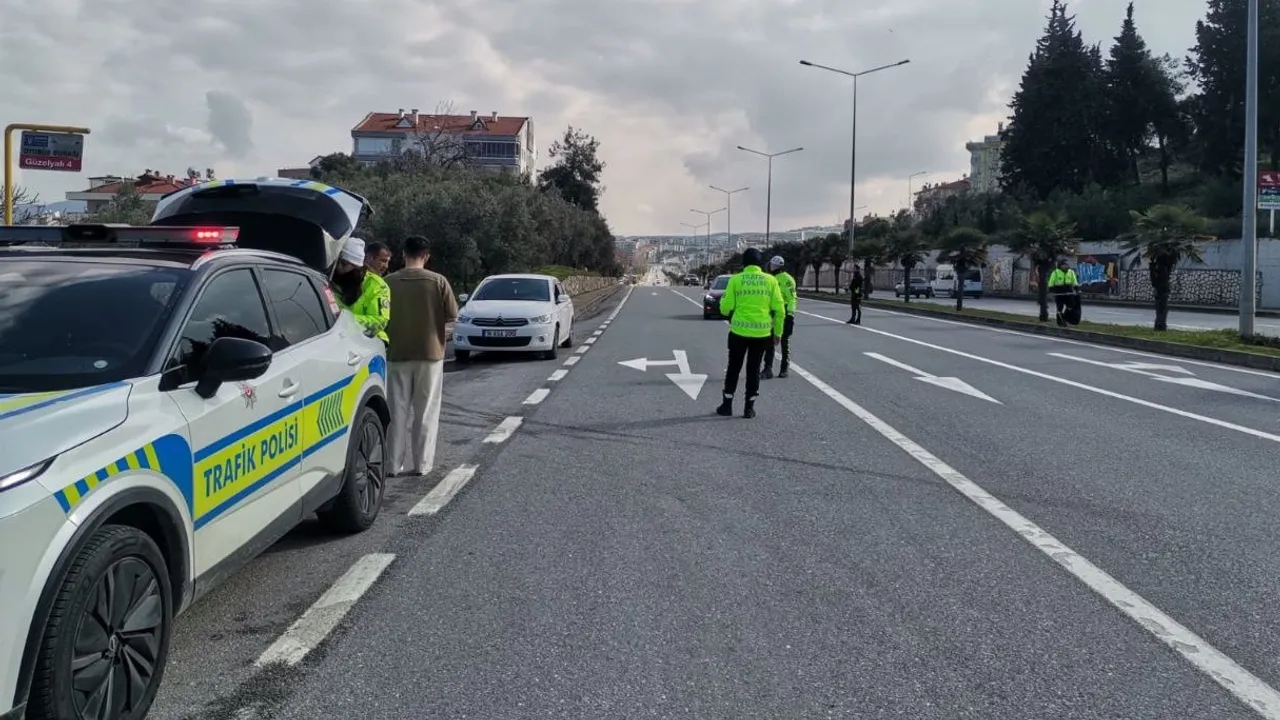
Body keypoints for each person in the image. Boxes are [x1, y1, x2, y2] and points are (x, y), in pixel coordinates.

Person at [384, 236, 458, 476]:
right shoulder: (438, 281)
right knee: (426, 411)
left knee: (396, 412)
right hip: (430, 353)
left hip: (396, 352)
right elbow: (452, 314)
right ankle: (422, 464)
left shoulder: (388, 282)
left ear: (403, 254)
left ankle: (392, 464)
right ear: (426, 256)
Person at [716, 248, 784, 419]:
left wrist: (725, 303)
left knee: (733, 368)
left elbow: (725, 309)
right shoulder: (771, 280)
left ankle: (727, 405)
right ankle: (749, 408)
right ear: (761, 263)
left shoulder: (736, 280)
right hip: (762, 334)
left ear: (744, 263)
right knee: (753, 370)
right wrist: (778, 333)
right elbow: (779, 310)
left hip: (738, 332)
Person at [332, 237, 391, 344]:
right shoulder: (328, 278)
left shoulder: (377, 285)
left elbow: (380, 321)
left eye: (345, 264)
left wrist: (344, 319)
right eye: (339, 262)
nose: (341, 268)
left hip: (367, 342)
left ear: (358, 267)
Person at [761, 255, 797, 379]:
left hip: (784, 312)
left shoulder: (787, 279)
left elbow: (792, 299)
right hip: (770, 312)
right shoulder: (768, 278)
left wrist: (790, 315)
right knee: (769, 342)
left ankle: (784, 368)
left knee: (784, 341)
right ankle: (768, 368)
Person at [1047, 258, 1080, 327]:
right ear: (1060, 265)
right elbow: (1051, 283)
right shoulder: (1055, 272)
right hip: (1059, 293)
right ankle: (1060, 322)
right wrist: (1051, 290)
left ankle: (1066, 319)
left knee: (1070, 307)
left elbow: (1074, 281)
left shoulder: (1071, 272)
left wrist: (1077, 289)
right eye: (1064, 265)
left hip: (1069, 292)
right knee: (1060, 308)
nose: (1065, 266)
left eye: (1066, 264)